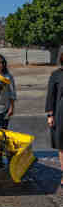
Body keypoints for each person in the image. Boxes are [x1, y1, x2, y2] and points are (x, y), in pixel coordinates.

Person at [45, 52, 63, 187]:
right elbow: (51, 96)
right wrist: (50, 115)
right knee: (62, 146)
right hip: (61, 114)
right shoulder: (56, 75)